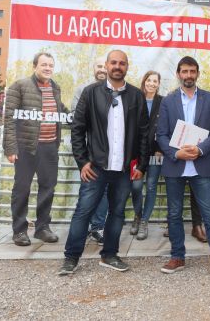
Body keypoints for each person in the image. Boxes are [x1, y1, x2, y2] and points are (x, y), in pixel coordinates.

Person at [58, 49, 149, 275]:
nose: (118, 67)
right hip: (96, 168)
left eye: (122, 63)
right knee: (83, 212)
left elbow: (145, 134)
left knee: (117, 213)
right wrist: (83, 162)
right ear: (107, 66)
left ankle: (109, 254)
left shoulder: (136, 96)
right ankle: (71, 258)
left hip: (124, 169)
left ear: (127, 67)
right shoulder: (90, 93)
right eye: (114, 63)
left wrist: (141, 165)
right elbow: (77, 130)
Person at [156, 56, 210, 282]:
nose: (188, 75)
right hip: (176, 166)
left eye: (192, 71)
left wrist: (200, 149)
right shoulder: (168, 101)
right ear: (178, 74)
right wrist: (176, 153)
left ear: (197, 73)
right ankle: (177, 257)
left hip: (202, 165)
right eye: (184, 71)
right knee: (174, 214)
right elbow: (161, 134)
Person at [3, 52, 69, 246]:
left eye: (51, 65)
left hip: (49, 147)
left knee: (48, 188)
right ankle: (19, 231)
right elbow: (9, 118)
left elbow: (61, 111)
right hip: (26, 148)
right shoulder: (20, 86)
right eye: (44, 65)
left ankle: (42, 229)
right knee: (22, 189)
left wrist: (79, 119)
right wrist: (10, 147)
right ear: (35, 66)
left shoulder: (55, 87)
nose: (48, 68)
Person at [71, 56, 108, 244]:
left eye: (104, 66)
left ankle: (98, 227)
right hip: (88, 154)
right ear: (94, 68)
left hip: (108, 155)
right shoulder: (83, 90)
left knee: (104, 192)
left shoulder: (116, 92)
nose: (102, 69)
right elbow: (77, 121)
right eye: (98, 66)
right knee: (87, 191)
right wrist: (82, 158)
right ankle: (83, 228)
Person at [130, 70, 163, 240]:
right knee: (136, 187)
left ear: (158, 84)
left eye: (154, 81)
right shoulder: (136, 98)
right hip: (137, 153)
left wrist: (160, 149)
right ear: (144, 81)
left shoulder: (162, 102)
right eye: (148, 80)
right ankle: (137, 215)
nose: (151, 83)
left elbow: (166, 128)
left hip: (156, 153)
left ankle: (144, 221)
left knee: (151, 187)